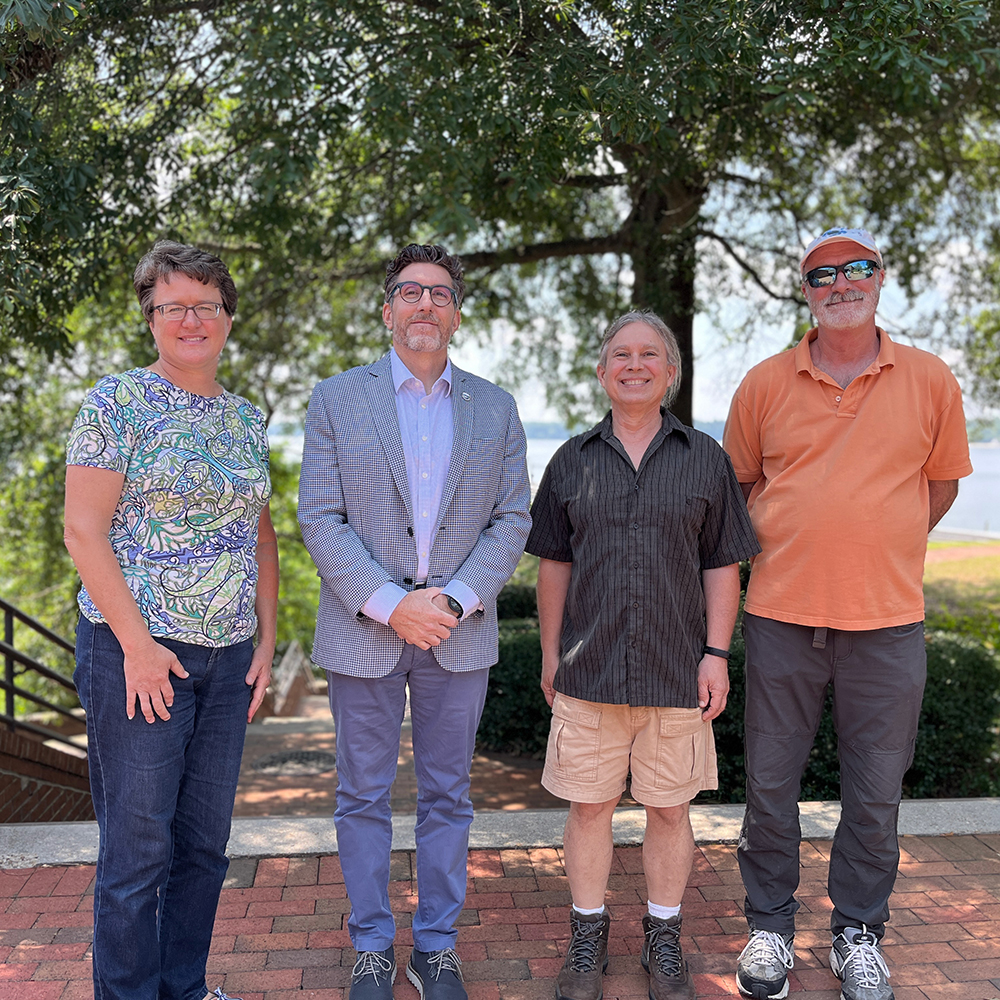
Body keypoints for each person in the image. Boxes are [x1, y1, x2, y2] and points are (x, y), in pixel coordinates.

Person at [723, 228, 973, 1000]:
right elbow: (735, 492)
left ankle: (858, 934)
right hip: (779, 617)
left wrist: (876, 543)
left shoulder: (931, 380)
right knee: (769, 785)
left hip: (888, 622)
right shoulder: (763, 384)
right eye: (822, 275)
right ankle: (768, 928)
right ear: (806, 290)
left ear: (880, 278)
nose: (840, 284)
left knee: (875, 791)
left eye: (856, 269)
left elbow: (939, 489)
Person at [298, 244, 531, 1000]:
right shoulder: (336, 399)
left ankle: (435, 948)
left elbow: (512, 520)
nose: (424, 304)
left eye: (439, 293)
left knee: (448, 798)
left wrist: (454, 600)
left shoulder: (495, 407)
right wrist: (391, 603)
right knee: (361, 796)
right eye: (409, 292)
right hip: (364, 628)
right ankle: (372, 945)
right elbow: (320, 517)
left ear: (456, 312)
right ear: (388, 308)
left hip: (457, 631)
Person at [63, 241, 278, 1000]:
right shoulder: (115, 402)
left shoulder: (247, 417)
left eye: (206, 304)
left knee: (203, 848)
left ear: (227, 316)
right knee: (138, 850)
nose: (191, 319)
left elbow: (258, 527)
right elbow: (83, 530)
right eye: (172, 306)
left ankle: (184, 989)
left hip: (226, 661)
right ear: (149, 318)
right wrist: (138, 647)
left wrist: (269, 636)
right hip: (137, 658)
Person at [526, 311, 760, 1000]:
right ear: (602, 373)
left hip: (676, 672)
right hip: (588, 673)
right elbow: (554, 568)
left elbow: (723, 565)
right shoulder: (570, 459)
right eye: (620, 355)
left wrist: (717, 653)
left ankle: (663, 934)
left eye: (649, 355)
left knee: (668, 810)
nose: (634, 364)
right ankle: (587, 934)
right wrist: (549, 654)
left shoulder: (706, 459)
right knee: (589, 809)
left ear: (671, 373)